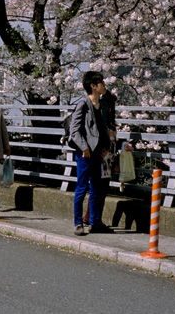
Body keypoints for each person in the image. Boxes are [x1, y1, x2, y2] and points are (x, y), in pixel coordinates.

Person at [69, 71, 112, 235]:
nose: (104, 85)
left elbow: (104, 128)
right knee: (81, 187)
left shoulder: (103, 106)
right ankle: (78, 223)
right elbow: (74, 130)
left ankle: (94, 222)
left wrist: (106, 146)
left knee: (96, 188)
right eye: (101, 82)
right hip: (85, 154)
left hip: (98, 153)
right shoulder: (83, 105)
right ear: (93, 86)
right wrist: (84, 148)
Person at [82, 90, 133, 226]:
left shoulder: (108, 120)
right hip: (102, 157)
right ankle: (94, 218)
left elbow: (112, 139)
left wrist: (122, 144)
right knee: (99, 189)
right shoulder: (103, 117)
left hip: (106, 159)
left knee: (99, 188)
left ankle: (90, 217)